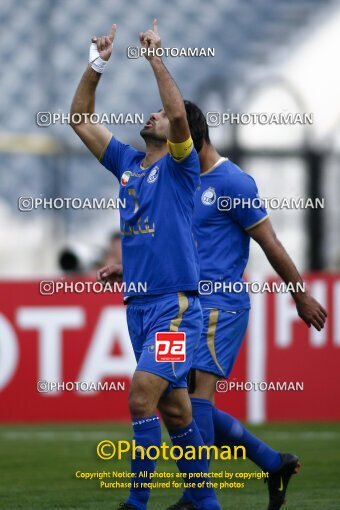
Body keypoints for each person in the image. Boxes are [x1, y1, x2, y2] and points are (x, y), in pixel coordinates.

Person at [100, 101, 327, 510]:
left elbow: (270, 241)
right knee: (178, 400)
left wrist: (299, 293)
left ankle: (194, 498)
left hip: (220, 305)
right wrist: (131, 266)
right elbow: (173, 243)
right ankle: (270, 462)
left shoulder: (233, 183)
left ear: (189, 136)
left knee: (195, 400)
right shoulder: (173, 179)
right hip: (184, 301)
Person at [70, 21, 220, 510]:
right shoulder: (130, 164)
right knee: (176, 412)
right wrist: (98, 63)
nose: (154, 115)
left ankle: (136, 503)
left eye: (161, 114)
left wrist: (155, 55)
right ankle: (206, 502)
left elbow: (178, 115)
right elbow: (78, 118)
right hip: (139, 305)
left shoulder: (181, 166)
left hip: (176, 308)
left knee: (140, 398)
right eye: (153, 112)